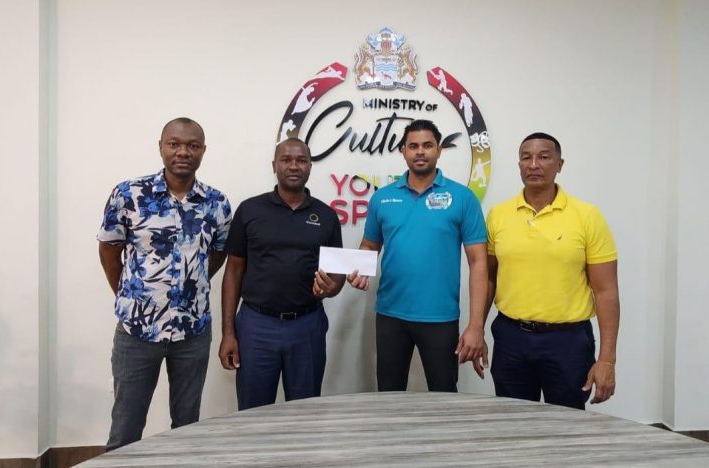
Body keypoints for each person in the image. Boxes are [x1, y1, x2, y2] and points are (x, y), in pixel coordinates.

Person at [97, 117, 231, 450]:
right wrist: (130, 292)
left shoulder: (217, 203)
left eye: (192, 145)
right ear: (161, 147)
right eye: (174, 144)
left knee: (186, 428)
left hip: (193, 333)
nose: (183, 151)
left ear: (203, 151)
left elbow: (217, 254)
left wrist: (189, 286)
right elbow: (109, 248)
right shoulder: (129, 195)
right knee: (126, 427)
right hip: (136, 332)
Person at [482, 132, 619, 409]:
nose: (534, 164)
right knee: (513, 422)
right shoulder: (498, 215)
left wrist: (607, 360)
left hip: (568, 342)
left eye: (544, 157)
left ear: (560, 164)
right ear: (519, 164)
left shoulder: (587, 216)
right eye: (526, 157)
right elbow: (488, 278)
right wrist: (476, 328)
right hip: (511, 338)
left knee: (568, 426)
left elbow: (606, 291)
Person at [349, 119, 488, 392]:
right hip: (390, 315)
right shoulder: (383, 198)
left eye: (427, 145)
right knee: (389, 394)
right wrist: (359, 268)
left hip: (441, 317)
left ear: (439, 150)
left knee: (444, 395)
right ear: (403, 151)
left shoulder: (462, 198)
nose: (420, 151)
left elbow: (478, 262)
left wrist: (475, 326)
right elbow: (369, 246)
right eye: (413, 146)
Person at [219, 138, 345, 410]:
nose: (293, 166)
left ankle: (302, 455)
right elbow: (233, 271)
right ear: (274, 165)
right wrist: (228, 332)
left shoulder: (326, 216)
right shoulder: (250, 210)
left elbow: (338, 275)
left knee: (304, 412)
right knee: (253, 411)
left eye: (301, 160)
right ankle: (255, 455)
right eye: (286, 160)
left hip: (307, 325)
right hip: (256, 325)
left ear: (310, 166)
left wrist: (331, 288)